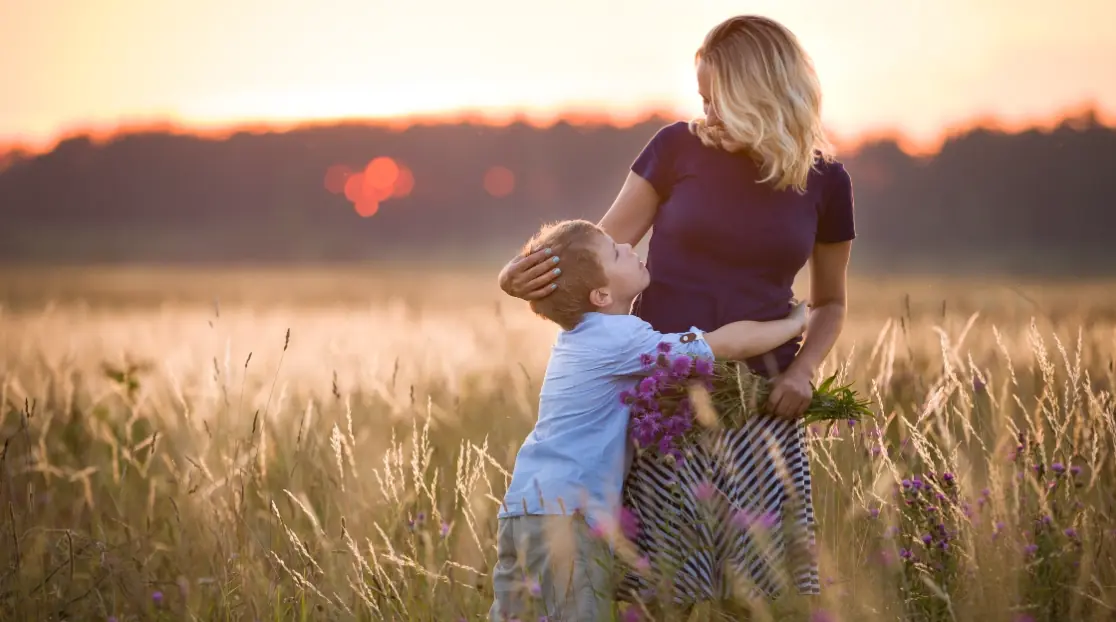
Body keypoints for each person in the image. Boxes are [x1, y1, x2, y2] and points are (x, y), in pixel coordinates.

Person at [497, 14, 855, 610]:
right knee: (660, 595)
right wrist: (518, 275)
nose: (706, 112)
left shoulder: (826, 183)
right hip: (665, 408)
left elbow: (831, 302)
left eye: (718, 99)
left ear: (761, 94)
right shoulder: (676, 148)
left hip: (762, 410)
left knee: (763, 598)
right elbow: (596, 253)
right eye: (702, 98)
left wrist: (802, 371)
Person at [490, 219, 809, 622]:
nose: (627, 245)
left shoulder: (579, 338)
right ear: (602, 294)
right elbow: (723, 343)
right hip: (568, 515)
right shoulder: (621, 338)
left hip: (523, 509)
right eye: (615, 252)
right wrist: (794, 324)